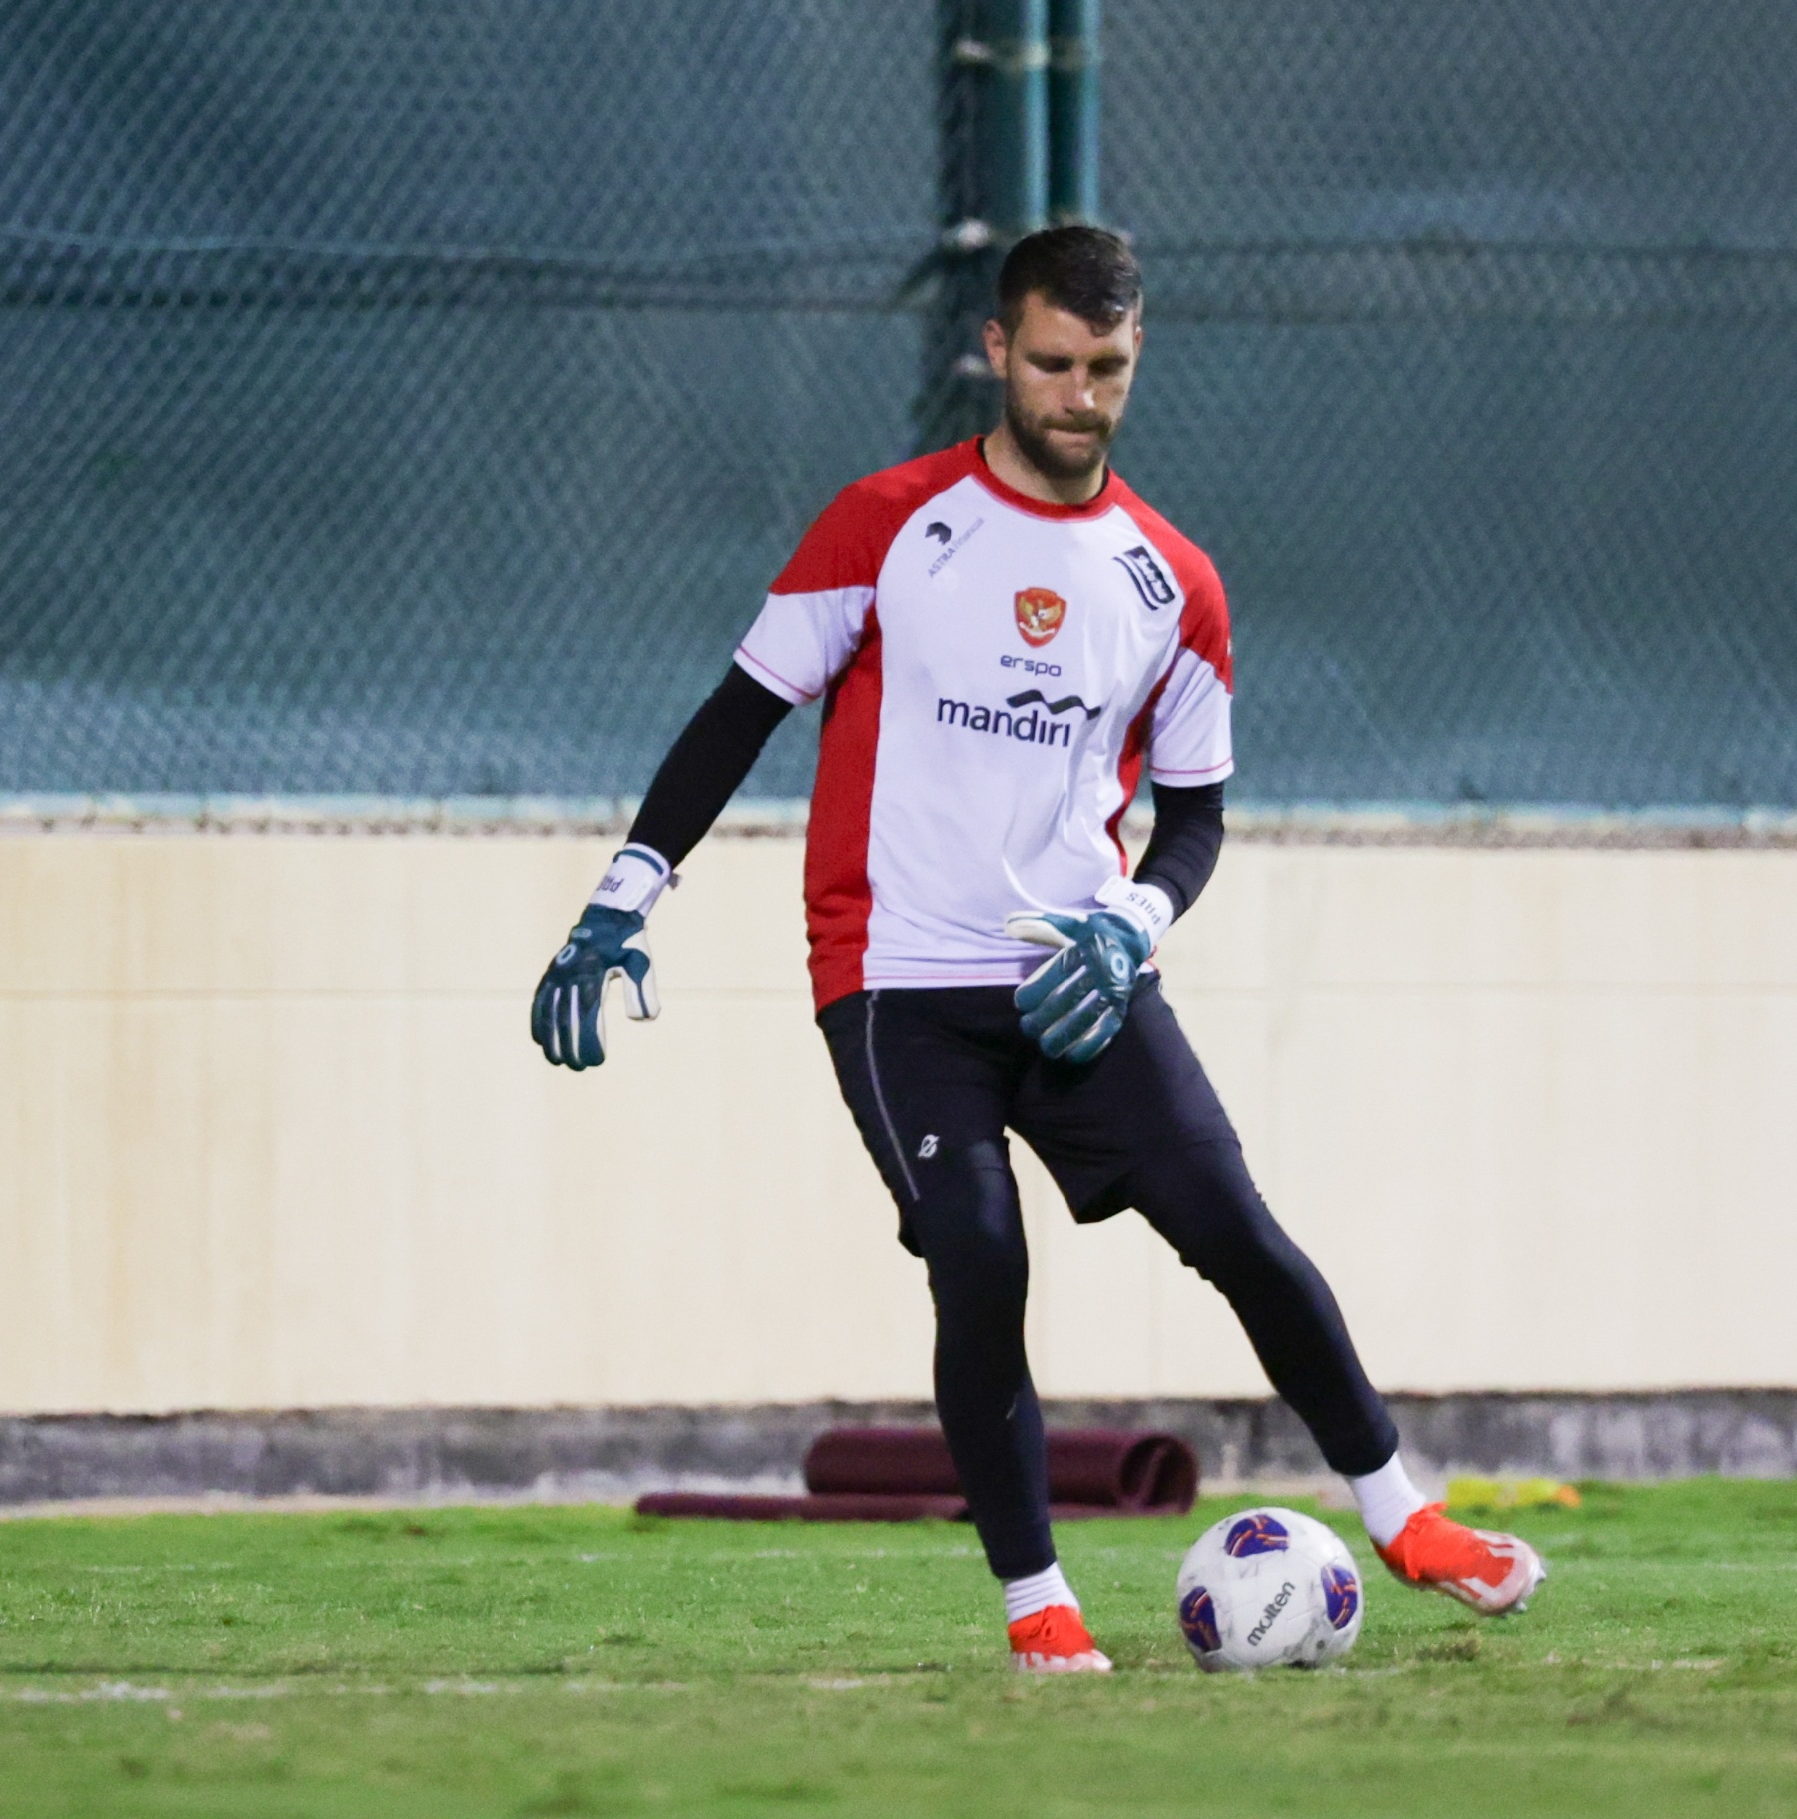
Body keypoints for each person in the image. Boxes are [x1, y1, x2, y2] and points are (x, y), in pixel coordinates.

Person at [532, 225, 1543, 1673]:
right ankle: (1037, 1607)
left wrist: (1134, 919)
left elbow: (1192, 812)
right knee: (979, 1255)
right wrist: (629, 887)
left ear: (1135, 361)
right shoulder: (882, 523)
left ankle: (1405, 1515)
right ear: (997, 350)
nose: (1079, 394)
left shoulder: (1172, 581)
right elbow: (739, 711)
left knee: (1240, 1232)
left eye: (1107, 369)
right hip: (895, 982)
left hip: (1078, 977)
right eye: (1054, 362)